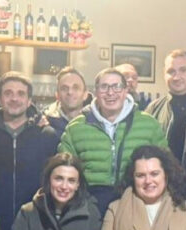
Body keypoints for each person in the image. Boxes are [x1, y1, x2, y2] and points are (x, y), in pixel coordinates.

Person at [58, 68, 167, 212]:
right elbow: (63, 172)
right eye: (104, 87)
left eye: (116, 86)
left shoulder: (149, 125)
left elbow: (166, 167)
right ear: (96, 92)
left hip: (137, 206)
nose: (110, 93)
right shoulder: (76, 128)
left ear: (125, 90)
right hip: (88, 208)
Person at [0, 72, 60, 230]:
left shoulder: (47, 135)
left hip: (37, 222)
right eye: (8, 93)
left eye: (21, 94)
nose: (14, 98)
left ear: (29, 100)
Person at [145, 50, 186, 162]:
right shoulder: (153, 108)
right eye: (171, 71)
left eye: (183, 70)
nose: (176, 77)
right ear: (164, 73)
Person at [42, 66, 91, 137]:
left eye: (76, 88)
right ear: (57, 95)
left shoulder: (97, 124)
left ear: (85, 95)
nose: (70, 92)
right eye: (64, 88)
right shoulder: (44, 124)